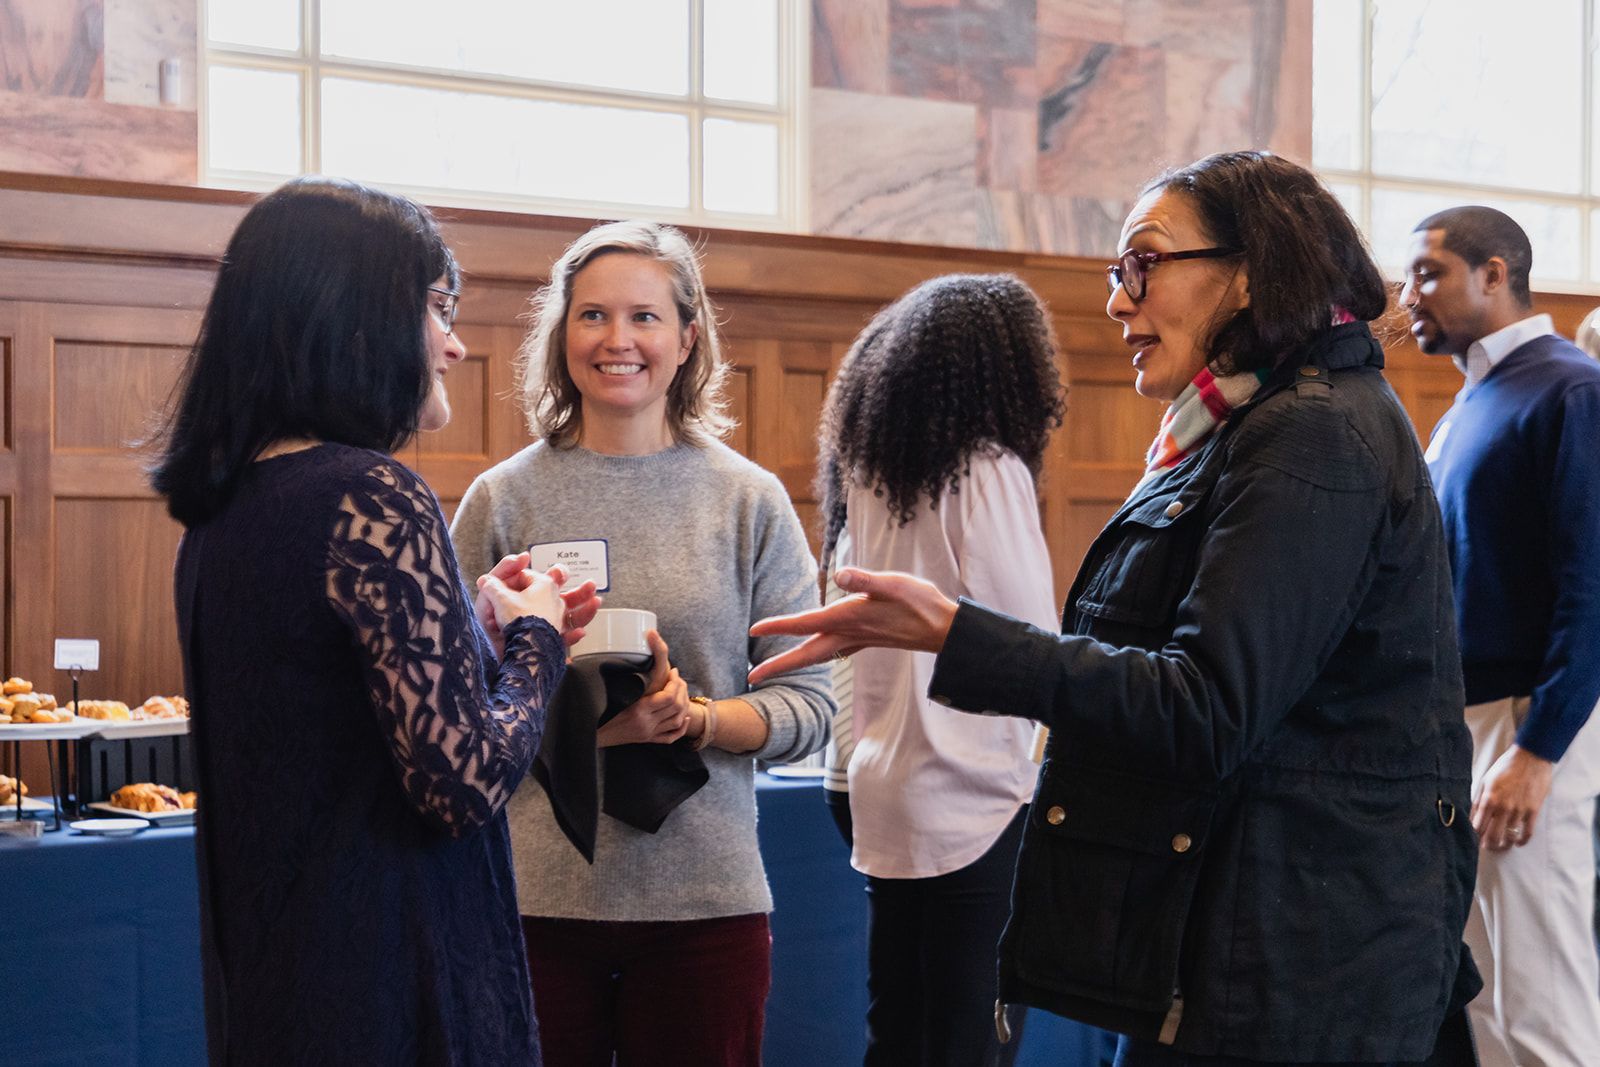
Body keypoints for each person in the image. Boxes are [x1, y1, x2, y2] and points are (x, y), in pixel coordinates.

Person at [751, 151, 1480, 1066]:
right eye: (1114, 272)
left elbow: (1205, 704)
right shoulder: (1239, 428)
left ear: (1250, 271)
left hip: (1301, 951)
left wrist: (955, 632)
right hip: (1242, 923)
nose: (1115, 301)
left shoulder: (1313, 432)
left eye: (1142, 263)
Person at [149, 177, 600, 1065]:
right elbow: (462, 783)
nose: (456, 344)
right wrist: (537, 639)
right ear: (357, 312)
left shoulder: (231, 502)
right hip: (388, 981)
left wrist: (464, 625)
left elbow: (328, 715)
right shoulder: (370, 493)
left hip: (284, 981)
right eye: (439, 306)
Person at [450, 220, 833, 1067]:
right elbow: (441, 704)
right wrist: (561, 727)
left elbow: (812, 706)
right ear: (561, 335)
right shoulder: (500, 499)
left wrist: (692, 716)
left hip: (706, 906)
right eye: (591, 316)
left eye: (644, 317)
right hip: (531, 903)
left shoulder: (749, 501)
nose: (617, 340)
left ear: (688, 337)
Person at [814, 273, 1064, 1066]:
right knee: (969, 1046)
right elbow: (1032, 646)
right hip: (973, 795)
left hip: (884, 782)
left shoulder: (871, 473)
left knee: (900, 1035)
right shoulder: (984, 467)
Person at [1402, 205, 1600, 1067]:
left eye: (1428, 273)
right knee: (1489, 1007)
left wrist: (1539, 747)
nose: (1407, 293)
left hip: (1530, 726)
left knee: (1543, 1009)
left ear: (1494, 274)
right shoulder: (1467, 405)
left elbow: (1594, 581)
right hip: (1467, 722)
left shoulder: (1571, 388)